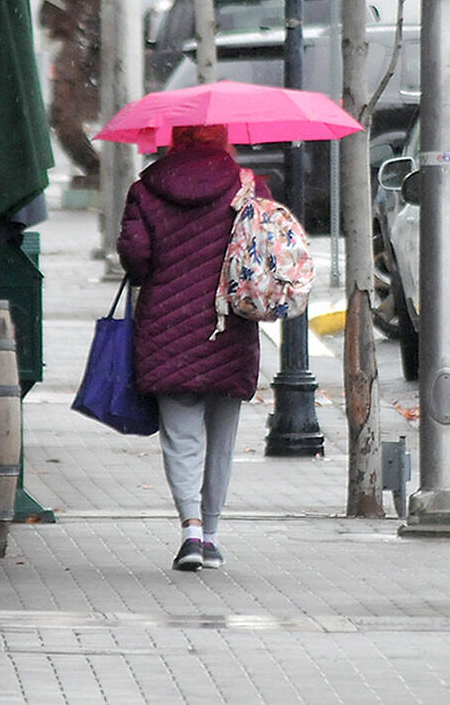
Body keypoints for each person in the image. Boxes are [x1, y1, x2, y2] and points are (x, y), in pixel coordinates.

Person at [116, 124, 270, 572]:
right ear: (222, 140)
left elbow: (136, 257)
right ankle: (214, 537)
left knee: (181, 436)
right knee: (221, 438)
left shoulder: (145, 190)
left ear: (175, 140)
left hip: (167, 326)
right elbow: (264, 251)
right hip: (229, 326)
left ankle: (190, 532)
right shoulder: (248, 186)